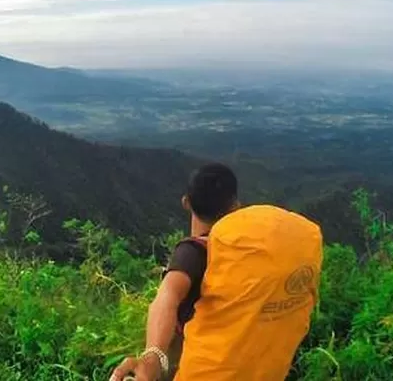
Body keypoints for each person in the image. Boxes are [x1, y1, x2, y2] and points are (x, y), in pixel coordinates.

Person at [110, 163, 323, 381]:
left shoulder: (195, 251)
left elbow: (167, 297)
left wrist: (152, 357)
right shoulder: (255, 256)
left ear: (186, 202)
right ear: (236, 206)